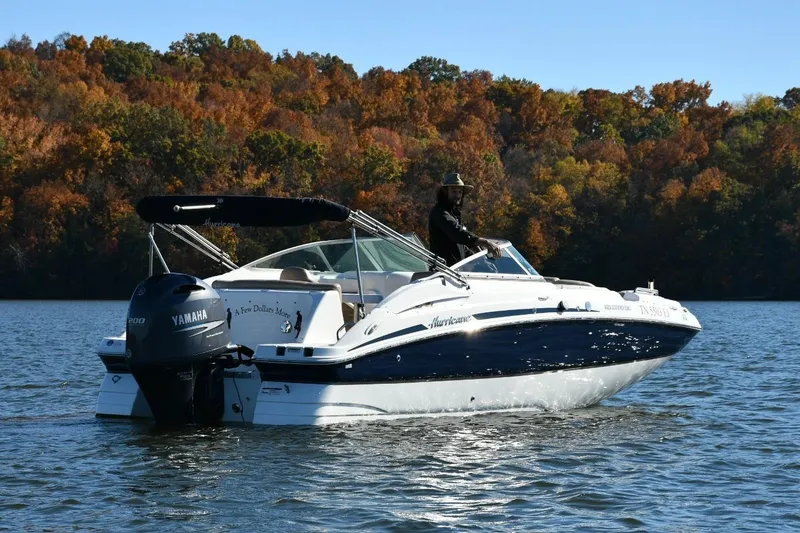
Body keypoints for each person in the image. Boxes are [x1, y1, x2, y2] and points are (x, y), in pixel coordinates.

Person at [428, 173, 502, 267]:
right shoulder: (439, 212)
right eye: (454, 191)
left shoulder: (454, 213)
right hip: (442, 272)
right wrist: (486, 243)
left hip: (456, 271)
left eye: (460, 192)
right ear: (445, 192)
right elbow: (457, 233)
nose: (458, 195)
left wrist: (481, 261)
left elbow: (462, 245)